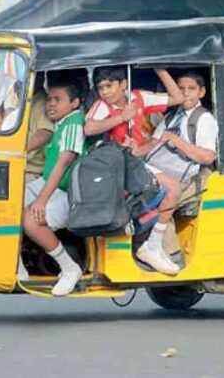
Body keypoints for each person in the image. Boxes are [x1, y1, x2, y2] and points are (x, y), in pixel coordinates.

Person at [84, 66, 184, 275]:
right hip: (117, 167)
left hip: (136, 161)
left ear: (124, 84)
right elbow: (89, 128)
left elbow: (177, 98)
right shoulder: (102, 106)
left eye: (109, 86)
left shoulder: (139, 98)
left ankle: (152, 245)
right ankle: (150, 245)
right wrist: (121, 118)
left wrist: (159, 69)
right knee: (172, 189)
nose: (105, 92)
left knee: (172, 191)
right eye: (101, 88)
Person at [129, 71, 219, 267]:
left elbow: (207, 156)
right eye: (181, 89)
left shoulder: (204, 120)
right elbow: (153, 143)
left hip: (184, 178)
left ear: (201, 92)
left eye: (191, 89)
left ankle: (171, 255)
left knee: (158, 201)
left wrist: (176, 141)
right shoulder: (171, 117)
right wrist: (135, 151)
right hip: (158, 171)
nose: (185, 94)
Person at [22, 82, 87, 296]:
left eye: (57, 100)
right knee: (8, 202)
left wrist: (40, 201)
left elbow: (63, 163)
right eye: (49, 99)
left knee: (32, 220)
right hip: (49, 185)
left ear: (75, 103)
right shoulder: (62, 123)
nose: (51, 105)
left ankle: (69, 268)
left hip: (70, 194)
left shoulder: (73, 124)